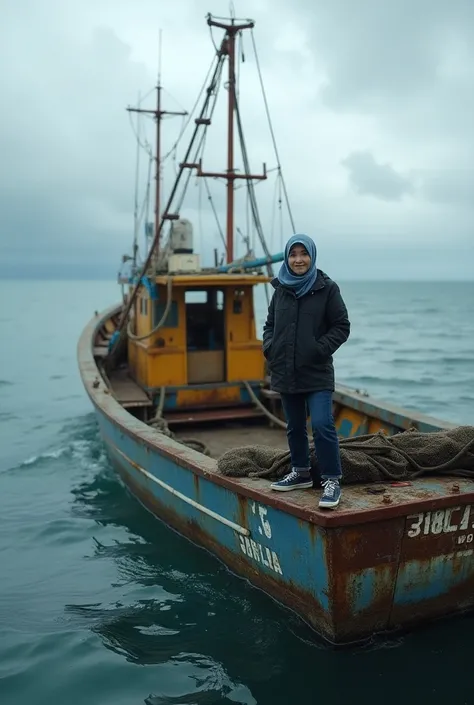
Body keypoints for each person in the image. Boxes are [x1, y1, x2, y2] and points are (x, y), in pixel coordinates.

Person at [262, 234, 350, 509]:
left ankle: (332, 480)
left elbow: (341, 326)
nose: (298, 259)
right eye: (293, 254)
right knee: (295, 427)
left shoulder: (327, 288)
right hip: (286, 370)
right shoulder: (281, 290)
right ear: (287, 258)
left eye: (303, 254)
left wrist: (318, 349)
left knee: (323, 424)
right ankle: (300, 472)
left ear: (312, 256)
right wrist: (270, 348)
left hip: (317, 371)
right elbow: (269, 325)